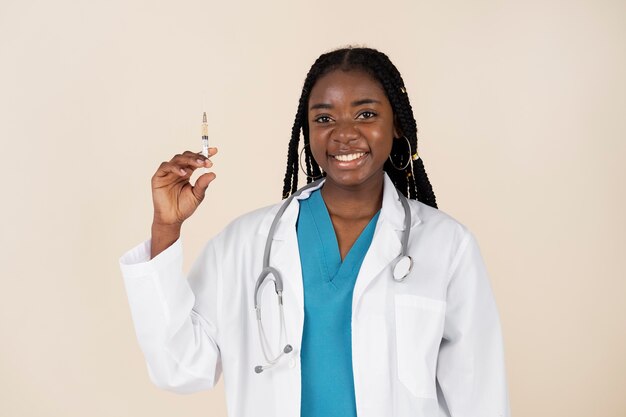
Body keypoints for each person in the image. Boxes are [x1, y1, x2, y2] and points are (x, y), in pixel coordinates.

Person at [119, 47, 511, 417]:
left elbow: (480, 398)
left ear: (396, 126)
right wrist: (166, 227)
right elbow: (179, 367)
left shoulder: (447, 246)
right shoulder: (244, 244)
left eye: (366, 115)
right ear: (307, 130)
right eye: (324, 118)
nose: (344, 133)